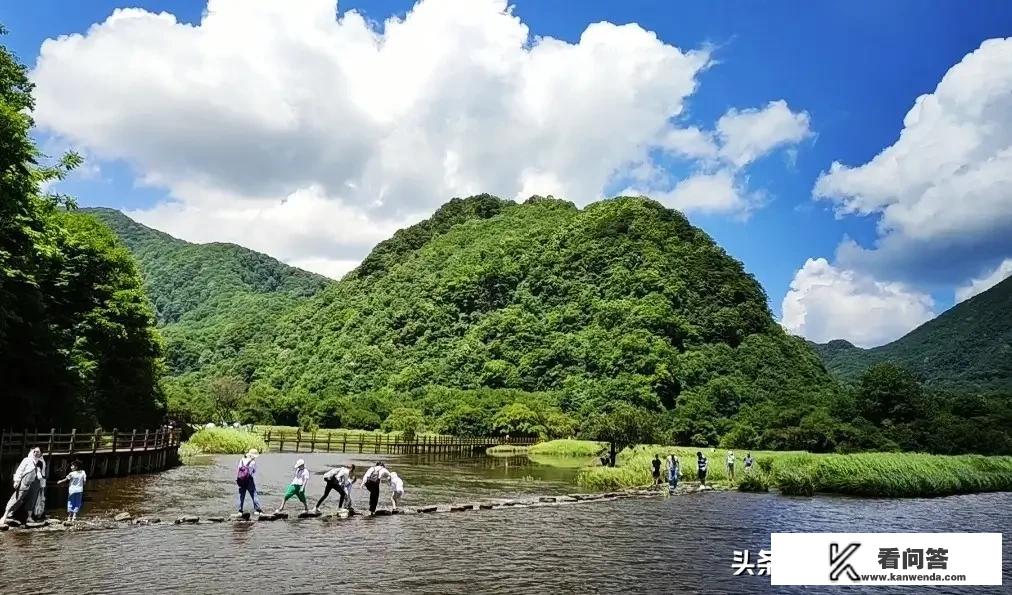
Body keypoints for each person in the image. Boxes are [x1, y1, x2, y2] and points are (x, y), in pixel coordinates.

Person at [1, 447, 43, 525]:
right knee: (17, 498)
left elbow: (42, 473)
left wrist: (41, 485)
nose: (36, 453)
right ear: (32, 452)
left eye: (38, 452)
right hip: (25, 481)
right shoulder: (26, 460)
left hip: (36, 482)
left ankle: (29, 517)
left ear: (40, 453)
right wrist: (16, 481)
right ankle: (5, 515)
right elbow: (20, 470)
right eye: (35, 451)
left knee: (32, 499)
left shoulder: (40, 462)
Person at [236, 449, 263, 514]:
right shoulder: (253, 462)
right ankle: (257, 510)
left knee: (241, 495)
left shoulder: (241, 460)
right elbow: (254, 471)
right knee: (254, 494)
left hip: (241, 479)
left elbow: (238, 468)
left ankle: (240, 511)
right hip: (249, 480)